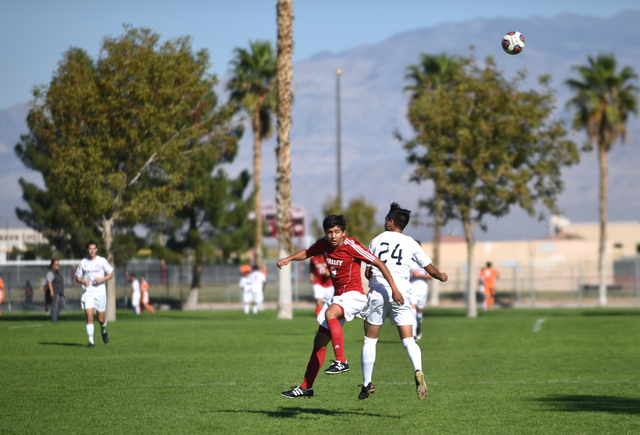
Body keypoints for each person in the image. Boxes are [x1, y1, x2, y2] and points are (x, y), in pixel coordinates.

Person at [279, 214, 402, 399]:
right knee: (319, 342)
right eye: (330, 232)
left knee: (330, 313)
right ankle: (306, 387)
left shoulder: (351, 246)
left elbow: (378, 262)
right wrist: (289, 258)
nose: (333, 235)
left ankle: (341, 360)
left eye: (337, 231)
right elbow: (307, 252)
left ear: (344, 232)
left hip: (354, 296)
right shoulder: (323, 244)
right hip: (338, 297)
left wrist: (394, 289)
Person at [359, 203, 448, 401]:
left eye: (386, 219)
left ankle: (367, 383)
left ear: (391, 222)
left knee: (370, 339)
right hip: (402, 294)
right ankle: (418, 370)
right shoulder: (410, 243)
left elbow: (367, 271)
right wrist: (441, 276)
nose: (384, 222)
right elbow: (430, 268)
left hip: (378, 293)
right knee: (408, 339)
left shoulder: (376, 240)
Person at [75, 240, 114, 347]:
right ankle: (91, 342)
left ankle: (104, 330)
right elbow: (77, 277)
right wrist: (83, 282)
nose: (92, 251)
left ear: (96, 249)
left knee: (100, 319)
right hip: (88, 293)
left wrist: (102, 279)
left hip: (100, 293)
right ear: (87, 250)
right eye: (90, 249)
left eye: (94, 249)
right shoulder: (83, 262)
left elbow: (111, 274)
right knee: (89, 316)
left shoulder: (102, 261)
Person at [409, 256, 431, 341]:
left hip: (422, 290)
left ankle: (419, 328)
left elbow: (431, 276)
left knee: (419, 315)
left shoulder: (425, 261)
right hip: (411, 289)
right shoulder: (408, 261)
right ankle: (413, 334)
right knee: (413, 311)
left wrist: (419, 275)